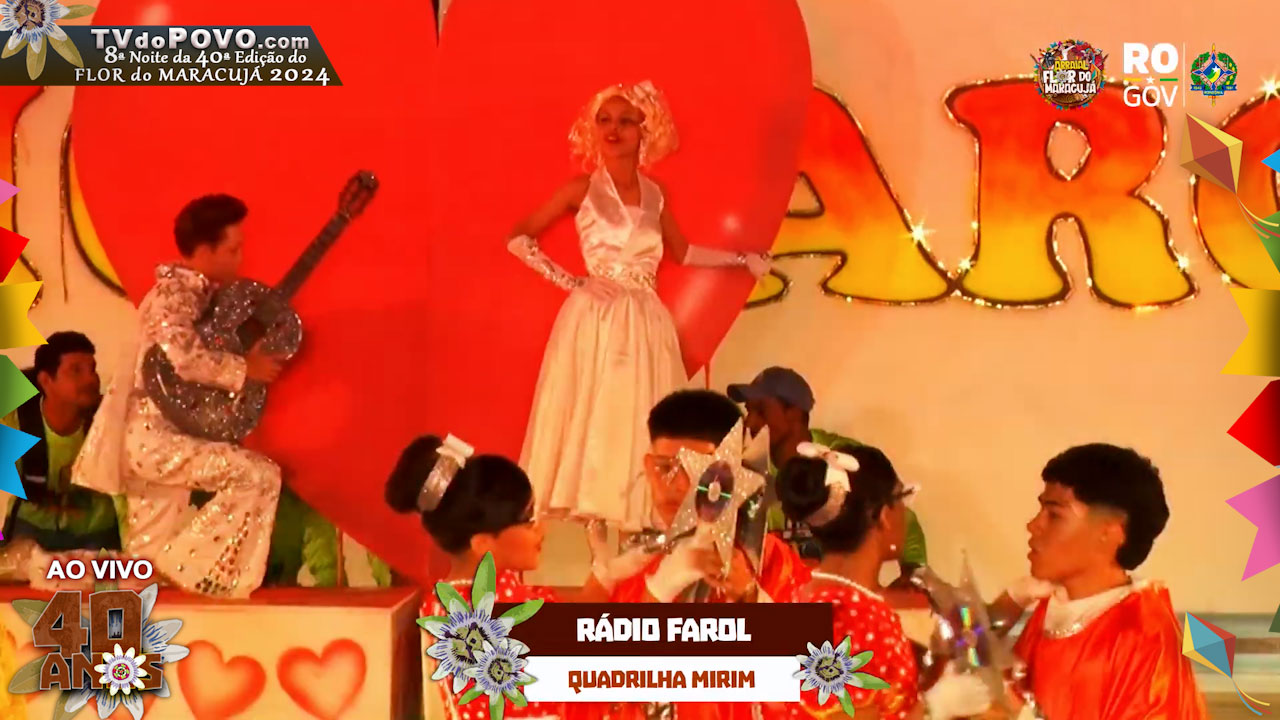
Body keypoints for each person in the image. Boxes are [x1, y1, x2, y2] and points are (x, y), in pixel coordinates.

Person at [511, 81, 770, 533]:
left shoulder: (655, 194)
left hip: (645, 321)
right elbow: (519, 238)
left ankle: (636, 536)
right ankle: (598, 552)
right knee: (595, 418)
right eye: (604, 121)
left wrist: (741, 260)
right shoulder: (581, 189)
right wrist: (576, 284)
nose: (613, 130)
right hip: (597, 318)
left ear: (643, 131)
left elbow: (683, 251)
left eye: (625, 121)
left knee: (639, 421)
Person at [72, 194, 287, 598]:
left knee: (142, 572)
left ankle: (127, 611)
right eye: (233, 250)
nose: (240, 259)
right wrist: (244, 369)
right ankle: (190, 568)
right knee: (258, 476)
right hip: (158, 439)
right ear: (204, 250)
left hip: (150, 440)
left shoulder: (189, 296)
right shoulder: (176, 297)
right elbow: (182, 357)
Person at [386, 434, 653, 720]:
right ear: (483, 543)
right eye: (527, 520)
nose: (541, 529)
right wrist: (661, 585)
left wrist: (606, 572)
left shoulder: (456, 598)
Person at [775, 443, 990, 720]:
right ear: (885, 516)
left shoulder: (793, 595)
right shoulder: (861, 619)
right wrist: (930, 709)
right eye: (902, 498)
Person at [1004, 443, 1208, 718]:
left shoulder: (1144, 635)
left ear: (1109, 532)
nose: (1033, 526)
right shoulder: (1050, 610)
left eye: (1054, 515)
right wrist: (1008, 603)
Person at [728, 367, 928, 571]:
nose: (749, 422)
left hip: (837, 586)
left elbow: (901, 517)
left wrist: (913, 573)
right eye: (749, 411)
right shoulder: (747, 466)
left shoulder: (844, 459)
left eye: (761, 411)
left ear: (793, 413)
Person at [0, 332, 120, 552]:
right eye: (76, 370)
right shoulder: (17, 418)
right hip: (31, 527)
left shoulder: (110, 420)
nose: (91, 379)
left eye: (92, 369)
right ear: (46, 381)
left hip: (96, 533)